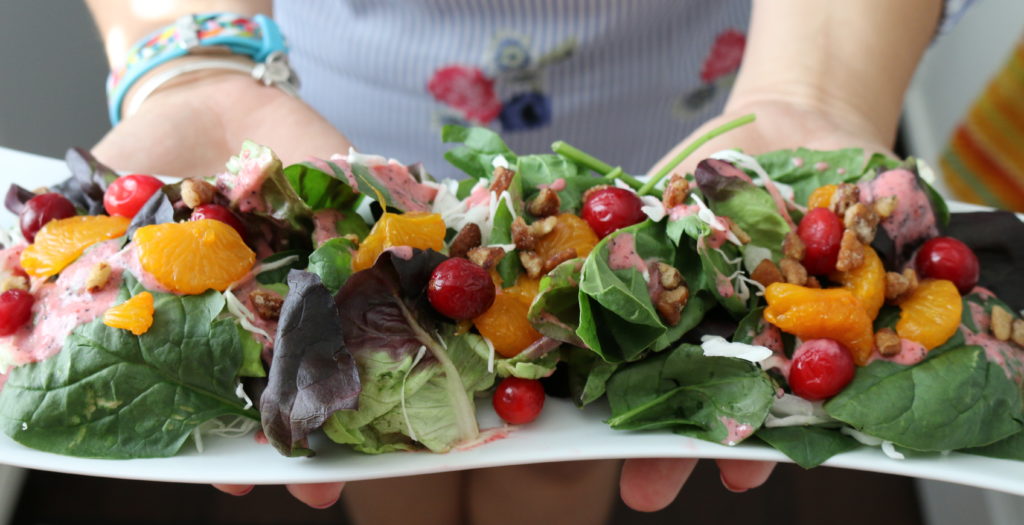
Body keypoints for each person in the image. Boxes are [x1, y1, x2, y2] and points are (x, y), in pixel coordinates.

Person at [83, 1, 948, 523]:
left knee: (571, 441)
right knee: (378, 414)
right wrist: (186, 61)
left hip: (692, 142)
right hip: (327, 129)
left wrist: (816, 91)